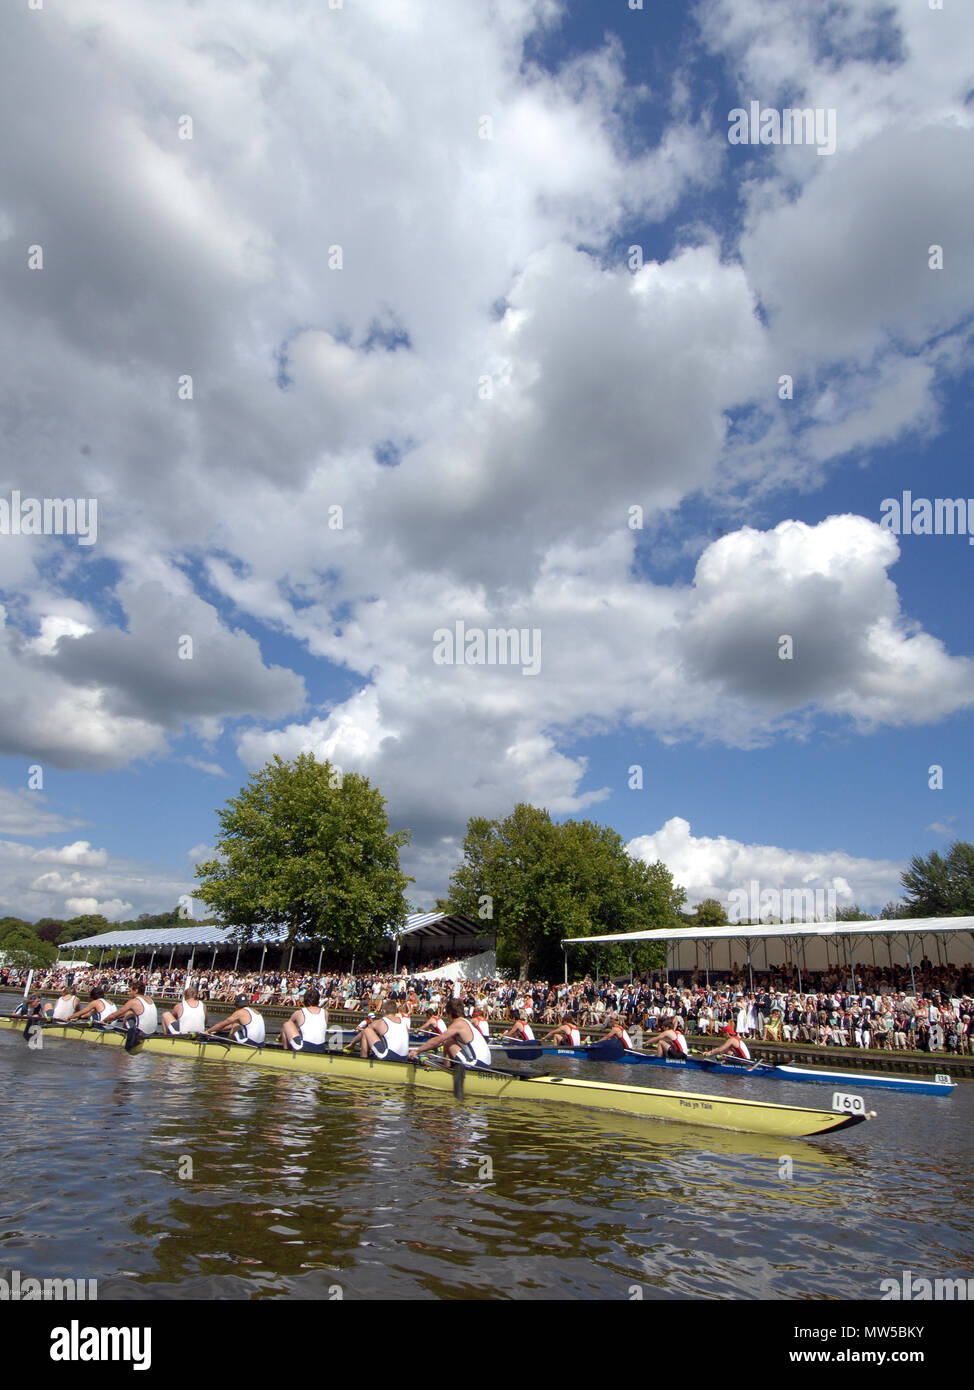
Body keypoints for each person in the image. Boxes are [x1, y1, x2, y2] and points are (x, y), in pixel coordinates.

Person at [407, 997, 491, 1068]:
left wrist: (417, 1051)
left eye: (447, 1015)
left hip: (477, 1064)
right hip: (485, 1064)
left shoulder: (458, 1024)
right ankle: (448, 1067)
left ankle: (446, 1074)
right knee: (448, 1040)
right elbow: (439, 1043)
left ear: (450, 1014)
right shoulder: (466, 1021)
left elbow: (438, 1040)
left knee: (448, 1041)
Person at [281, 988, 328, 1052]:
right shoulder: (325, 1012)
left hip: (305, 1047)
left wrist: (280, 1036)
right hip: (321, 1048)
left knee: (286, 1024)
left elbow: (289, 1027)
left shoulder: (299, 1012)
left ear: (305, 999)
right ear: (318, 1000)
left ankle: (285, 1052)